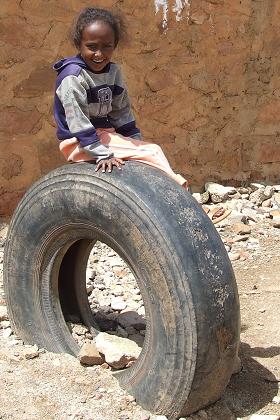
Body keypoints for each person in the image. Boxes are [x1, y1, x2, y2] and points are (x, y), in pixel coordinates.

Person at [53, 7, 188, 188]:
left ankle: (164, 202)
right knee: (153, 152)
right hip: (78, 142)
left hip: (105, 135)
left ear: (114, 45)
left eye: (106, 46)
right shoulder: (73, 77)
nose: (99, 54)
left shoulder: (113, 72)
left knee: (144, 153)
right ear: (79, 44)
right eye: (91, 47)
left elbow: (121, 112)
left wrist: (134, 141)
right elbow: (78, 122)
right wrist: (102, 154)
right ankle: (184, 196)